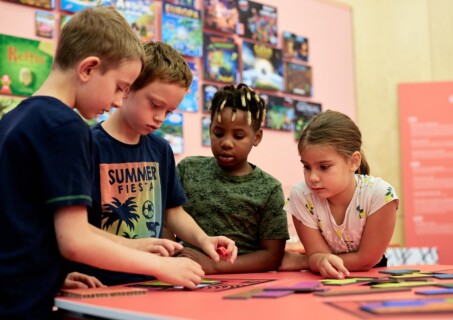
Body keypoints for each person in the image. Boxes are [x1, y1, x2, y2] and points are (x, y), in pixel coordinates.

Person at [0, 8, 200, 320]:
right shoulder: (67, 127)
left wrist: (57, 274)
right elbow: (76, 240)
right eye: (120, 87)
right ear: (88, 69)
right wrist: (161, 266)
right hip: (24, 306)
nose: (119, 100)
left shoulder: (14, 118)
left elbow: (28, 223)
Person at [70, 41, 237, 286]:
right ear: (127, 88)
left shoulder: (160, 149)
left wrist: (204, 239)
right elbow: (76, 228)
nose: (160, 118)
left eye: (169, 111)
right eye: (155, 105)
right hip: (99, 280)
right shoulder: (88, 145)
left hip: (152, 278)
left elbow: (173, 211)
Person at [174, 83, 290, 274]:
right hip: (184, 272)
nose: (226, 142)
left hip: (239, 279)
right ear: (209, 129)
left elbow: (272, 257)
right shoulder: (188, 169)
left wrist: (214, 266)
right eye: (218, 133)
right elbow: (167, 218)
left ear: (257, 137)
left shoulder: (269, 188)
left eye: (238, 136)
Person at [282, 110, 399, 278]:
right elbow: (319, 257)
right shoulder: (300, 196)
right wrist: (316, 260)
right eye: (307, 167)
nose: (313, 177)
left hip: (372, 278)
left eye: (324, 167)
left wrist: (303, 261)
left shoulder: (381, 195)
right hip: (324, 279)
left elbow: (366, 260)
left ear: (353, 162)